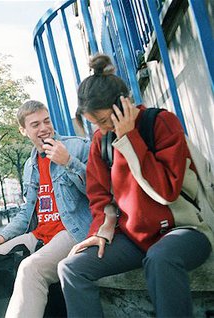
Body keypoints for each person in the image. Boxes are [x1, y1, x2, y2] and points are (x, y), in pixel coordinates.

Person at [58, 54, 213, 317]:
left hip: (185, 230)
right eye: (95, 124)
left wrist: (129, 137)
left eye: (106, 121)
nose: (103, 129)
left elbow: (166, 191)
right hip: (134, 239)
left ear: (124, 104)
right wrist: (101, 232)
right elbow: (100, 198)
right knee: (71, 268)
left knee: (161, 258)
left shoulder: (161, 123)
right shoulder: (101, 141)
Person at [0, 100, 92, 318]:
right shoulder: (30, 165)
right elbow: (26, 212)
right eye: (35, 124)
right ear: (23, 131)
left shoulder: (77, 147)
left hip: (72, 231)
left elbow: (99, 191)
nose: (44, 128)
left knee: (31, 269)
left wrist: (68, 161)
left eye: (46, 121)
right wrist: (2, 235)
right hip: (40, 233)